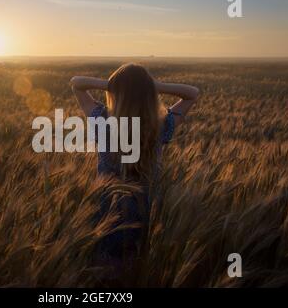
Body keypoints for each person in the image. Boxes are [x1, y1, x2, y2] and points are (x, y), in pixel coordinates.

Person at [70, 63, 200, 283]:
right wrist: (149, 87)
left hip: (106, 209)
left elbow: (76, 84)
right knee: (137, 264)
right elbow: (192, 94)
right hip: (146, 208)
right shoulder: (160, 125)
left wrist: (114, 85)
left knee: (106, 269)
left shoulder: (101, 120)